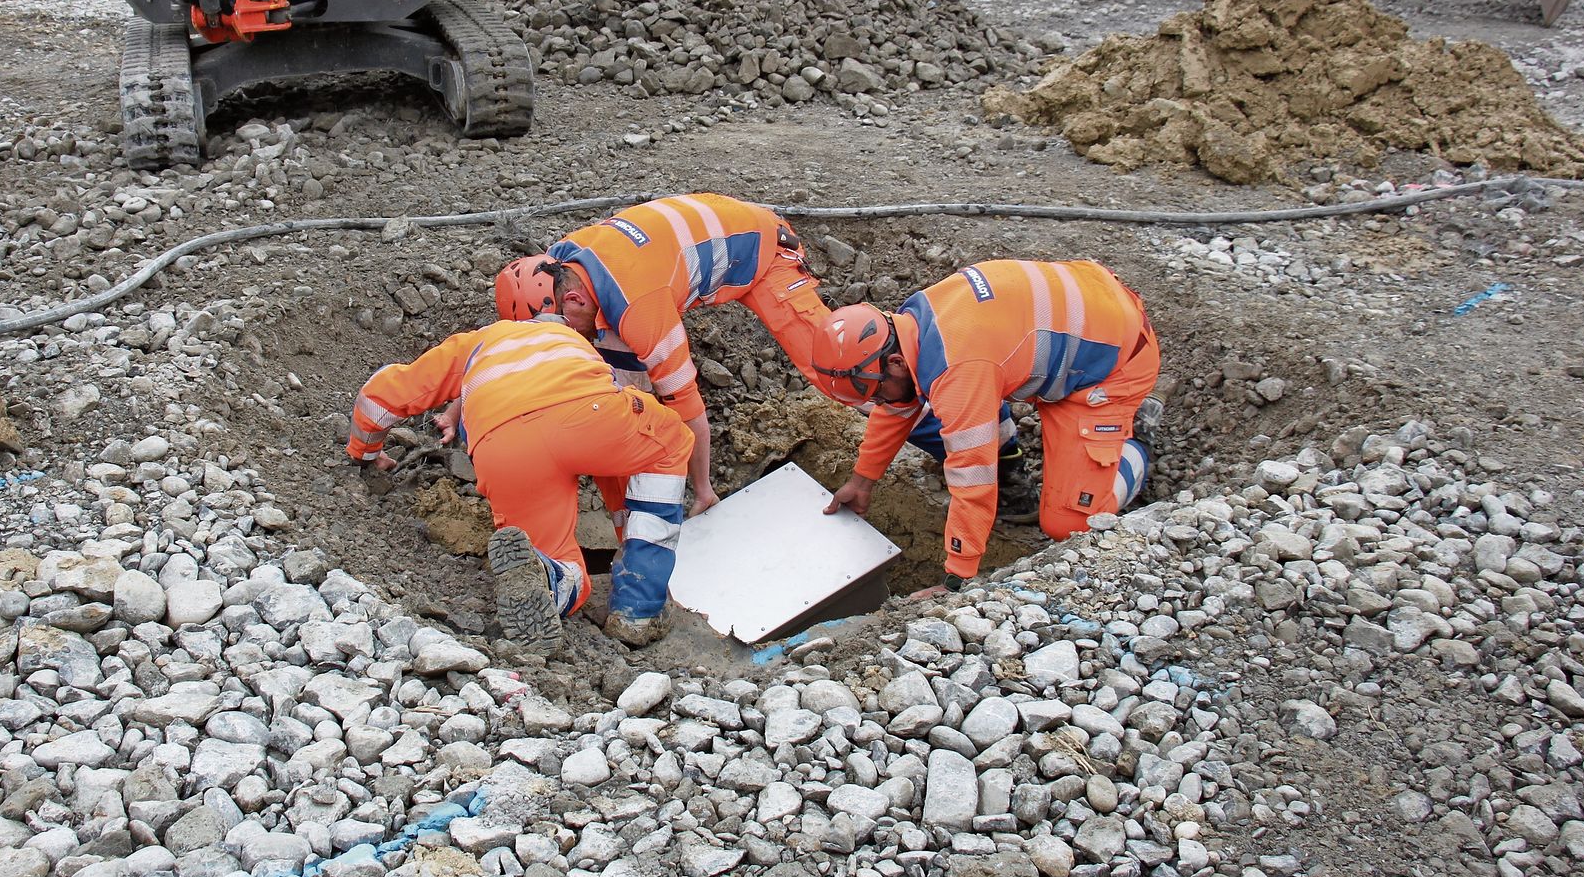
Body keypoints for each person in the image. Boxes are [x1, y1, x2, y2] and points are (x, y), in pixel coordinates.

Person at [346, 317, 692, 650]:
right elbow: (621, 461)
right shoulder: (571, 341)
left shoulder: (473, 346)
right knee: (669, 443)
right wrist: (626, 533)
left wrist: (365, 451)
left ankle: (549, 576)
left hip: (501, 445)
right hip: (588, 413)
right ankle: (638, 607)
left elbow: (382, 395)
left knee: (551, 556)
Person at [810, 260, 1162, 587]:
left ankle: (1136, 442)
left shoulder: (960, 370)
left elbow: (973, 477)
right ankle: (1024, 469)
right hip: (1087, 305)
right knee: (967, 405)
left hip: (1112, 364)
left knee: (1070, 525)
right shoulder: (912, 324)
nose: (879, 403)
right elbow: (899, 407)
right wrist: (862, 481)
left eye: (876, 392)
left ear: (897, 363)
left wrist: (959, 574)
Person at [494, 194, 828, 515]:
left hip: (761, 246)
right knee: (621, 386)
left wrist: (702, 490)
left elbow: (687, 405)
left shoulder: (642, 312)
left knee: (831, 364)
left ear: (574, 301)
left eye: (565, 329)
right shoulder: (556, 264)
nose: (569, 338)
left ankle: (877, 410)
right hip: (695, 226)